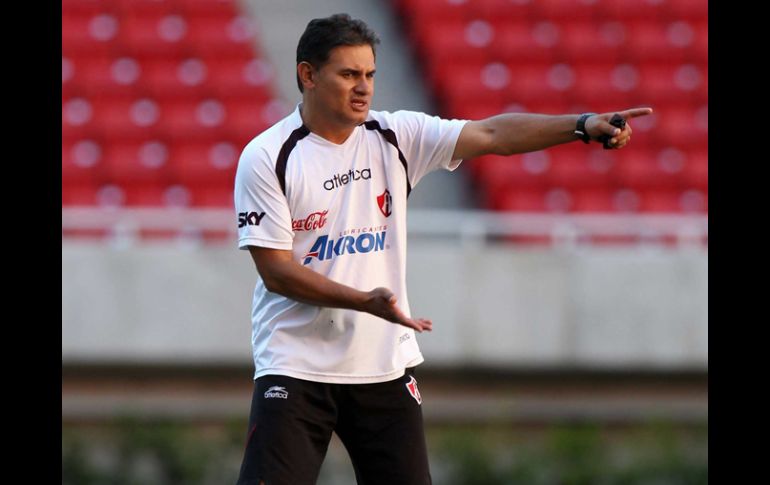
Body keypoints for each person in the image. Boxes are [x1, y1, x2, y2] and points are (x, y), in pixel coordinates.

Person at [233, 13, 652, 485]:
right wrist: (363, 302)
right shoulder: (268, 157)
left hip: (382, 368)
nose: (363, 88)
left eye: (370, 75)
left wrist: (580, 125)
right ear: (308, 75)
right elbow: (277, 273)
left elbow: (492, 134)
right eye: (349, 74)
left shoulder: (395, 135)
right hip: (295, 367)